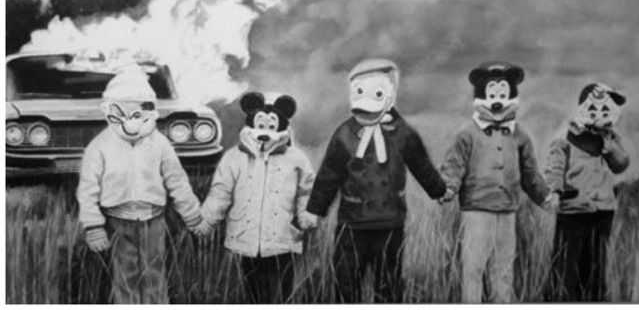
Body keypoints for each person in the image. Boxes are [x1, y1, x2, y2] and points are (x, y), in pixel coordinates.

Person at [305, 58, 447, 303]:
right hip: (351, 225)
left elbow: (421, 164)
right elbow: (329, 174)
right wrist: (315, 209)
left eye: (377, 94)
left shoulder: (403, 133)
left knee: (388, 284)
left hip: (390, 223)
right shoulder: (344, 134)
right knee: (346, 282)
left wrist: (438, 190)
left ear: (390, 95)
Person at [76, 64, 209, 304]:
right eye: (121, 111)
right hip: (117, 221)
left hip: (153, 220)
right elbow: (88, 189)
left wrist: (193, 216)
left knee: (154, 274)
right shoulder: (100, 146)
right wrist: (93, 226)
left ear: (149, 110)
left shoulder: (160, 144)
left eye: (136, 112)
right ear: (109, 111)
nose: (129, 120)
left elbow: (177, 181)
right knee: (124, 276)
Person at [439, 61, 558, 303]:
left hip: (507, 213)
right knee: (473, 269)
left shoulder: (520, 134)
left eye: (503, 95)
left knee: (503, 270)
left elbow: (530, 173)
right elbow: (454, 164)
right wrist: (449, 186)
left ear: (512, 96)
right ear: (480, 96)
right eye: (492, 95)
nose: (497, 101)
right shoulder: (467, 133)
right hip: (476, 212)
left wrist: (545, 196)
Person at [200, 92, 317, 303]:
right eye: (261, 124)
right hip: (246, 239)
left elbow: (306, 190)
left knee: (281, 293)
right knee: (252, 292)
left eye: (271, 126)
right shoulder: (234, 157)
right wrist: (206, 220)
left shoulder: (296, 158)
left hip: (284, 240)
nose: (265, 130)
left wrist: (306, 215)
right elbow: (221, 192)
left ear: (282, 127)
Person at [544, 82, 629, 301]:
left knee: (595, 266)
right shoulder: (566, 134)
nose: (598, 115)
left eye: (605, 109)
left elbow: (621, 164)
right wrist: (554, 191)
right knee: (566, 266)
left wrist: (608, 145)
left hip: (603, 211)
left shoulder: (609, 137)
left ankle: (594, 301)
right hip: (573, 210)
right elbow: (555, 165)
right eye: (593, 109)